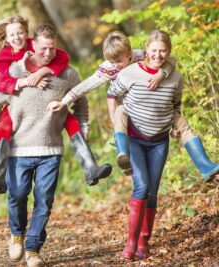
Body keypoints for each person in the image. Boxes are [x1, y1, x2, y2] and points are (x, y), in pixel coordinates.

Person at [48, 31, 219, 181]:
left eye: (119, 62)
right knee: (121, 116)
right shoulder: (108, 68)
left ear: (129, 54)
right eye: (112, 62)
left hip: (154, 103)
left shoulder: (142, 55)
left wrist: (161, 73)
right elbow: (86, 86)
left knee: (181, 123)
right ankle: (124, 156)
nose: (116, 66)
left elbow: (169, 59)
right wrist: (63, 101)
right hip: (127, 107)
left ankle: (205, 166)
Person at [107, 29, 218, 261]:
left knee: (153, 194)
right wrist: (114, 119)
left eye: (163, 51)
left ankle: (144, 242)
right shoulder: (129, 73)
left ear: (168, 52)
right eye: (154, 50)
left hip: (159, 141)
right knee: (141, 187)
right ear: (145, 50)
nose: (158, 54)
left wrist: (175, 127)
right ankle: (130, 242)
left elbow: (176, 106)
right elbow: (112, 93)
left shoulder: (175, 77)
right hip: (136, 138)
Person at [0, 24, 88, 267]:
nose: (48, 53)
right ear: (34, 45)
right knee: (18, 195)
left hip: (51, 150)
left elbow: (81, 101)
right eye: (43, 48)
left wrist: (83, 128)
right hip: (18, 149)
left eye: (52, 48)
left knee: (44, 200)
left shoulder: (68, 74)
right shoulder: (14, 71)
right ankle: (17, 234)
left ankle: (33, 249)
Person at [0, 16, 111, 194]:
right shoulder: (4, 58)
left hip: (52, 103)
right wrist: (27, 82)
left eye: (20, 33)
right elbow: (1, 85)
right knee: (5, 126)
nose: (17, 37)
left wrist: (43, 72)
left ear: (27, 33)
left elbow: (63, 57)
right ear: (6, 38)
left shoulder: (36, 44)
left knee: (70, 121)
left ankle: (91, 168)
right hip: (16, 101)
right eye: (12, 35)